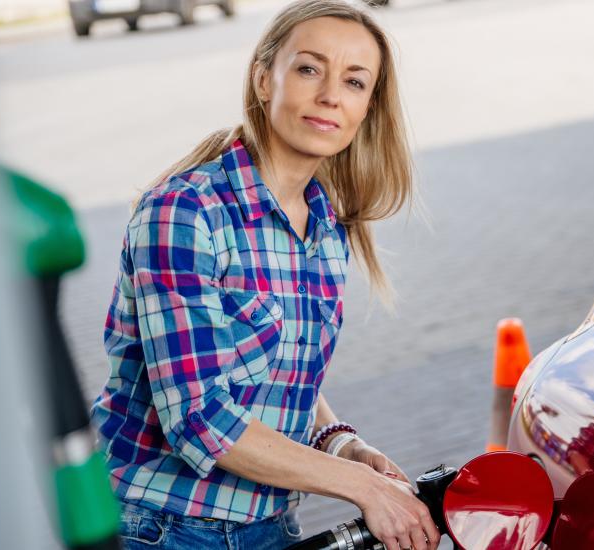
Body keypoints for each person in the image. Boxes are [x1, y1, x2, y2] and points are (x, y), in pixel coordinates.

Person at [90, 2, 440, 549]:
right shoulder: (186, 212)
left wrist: (341, 442)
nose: (330, 95)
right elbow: (198, 418)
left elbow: (274, 364)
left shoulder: (325, 226)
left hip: (269, 527)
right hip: (160, 529)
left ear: (367, 107)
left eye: (353, 81)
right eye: (309, 68)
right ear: (262, 78)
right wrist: (363, 488)